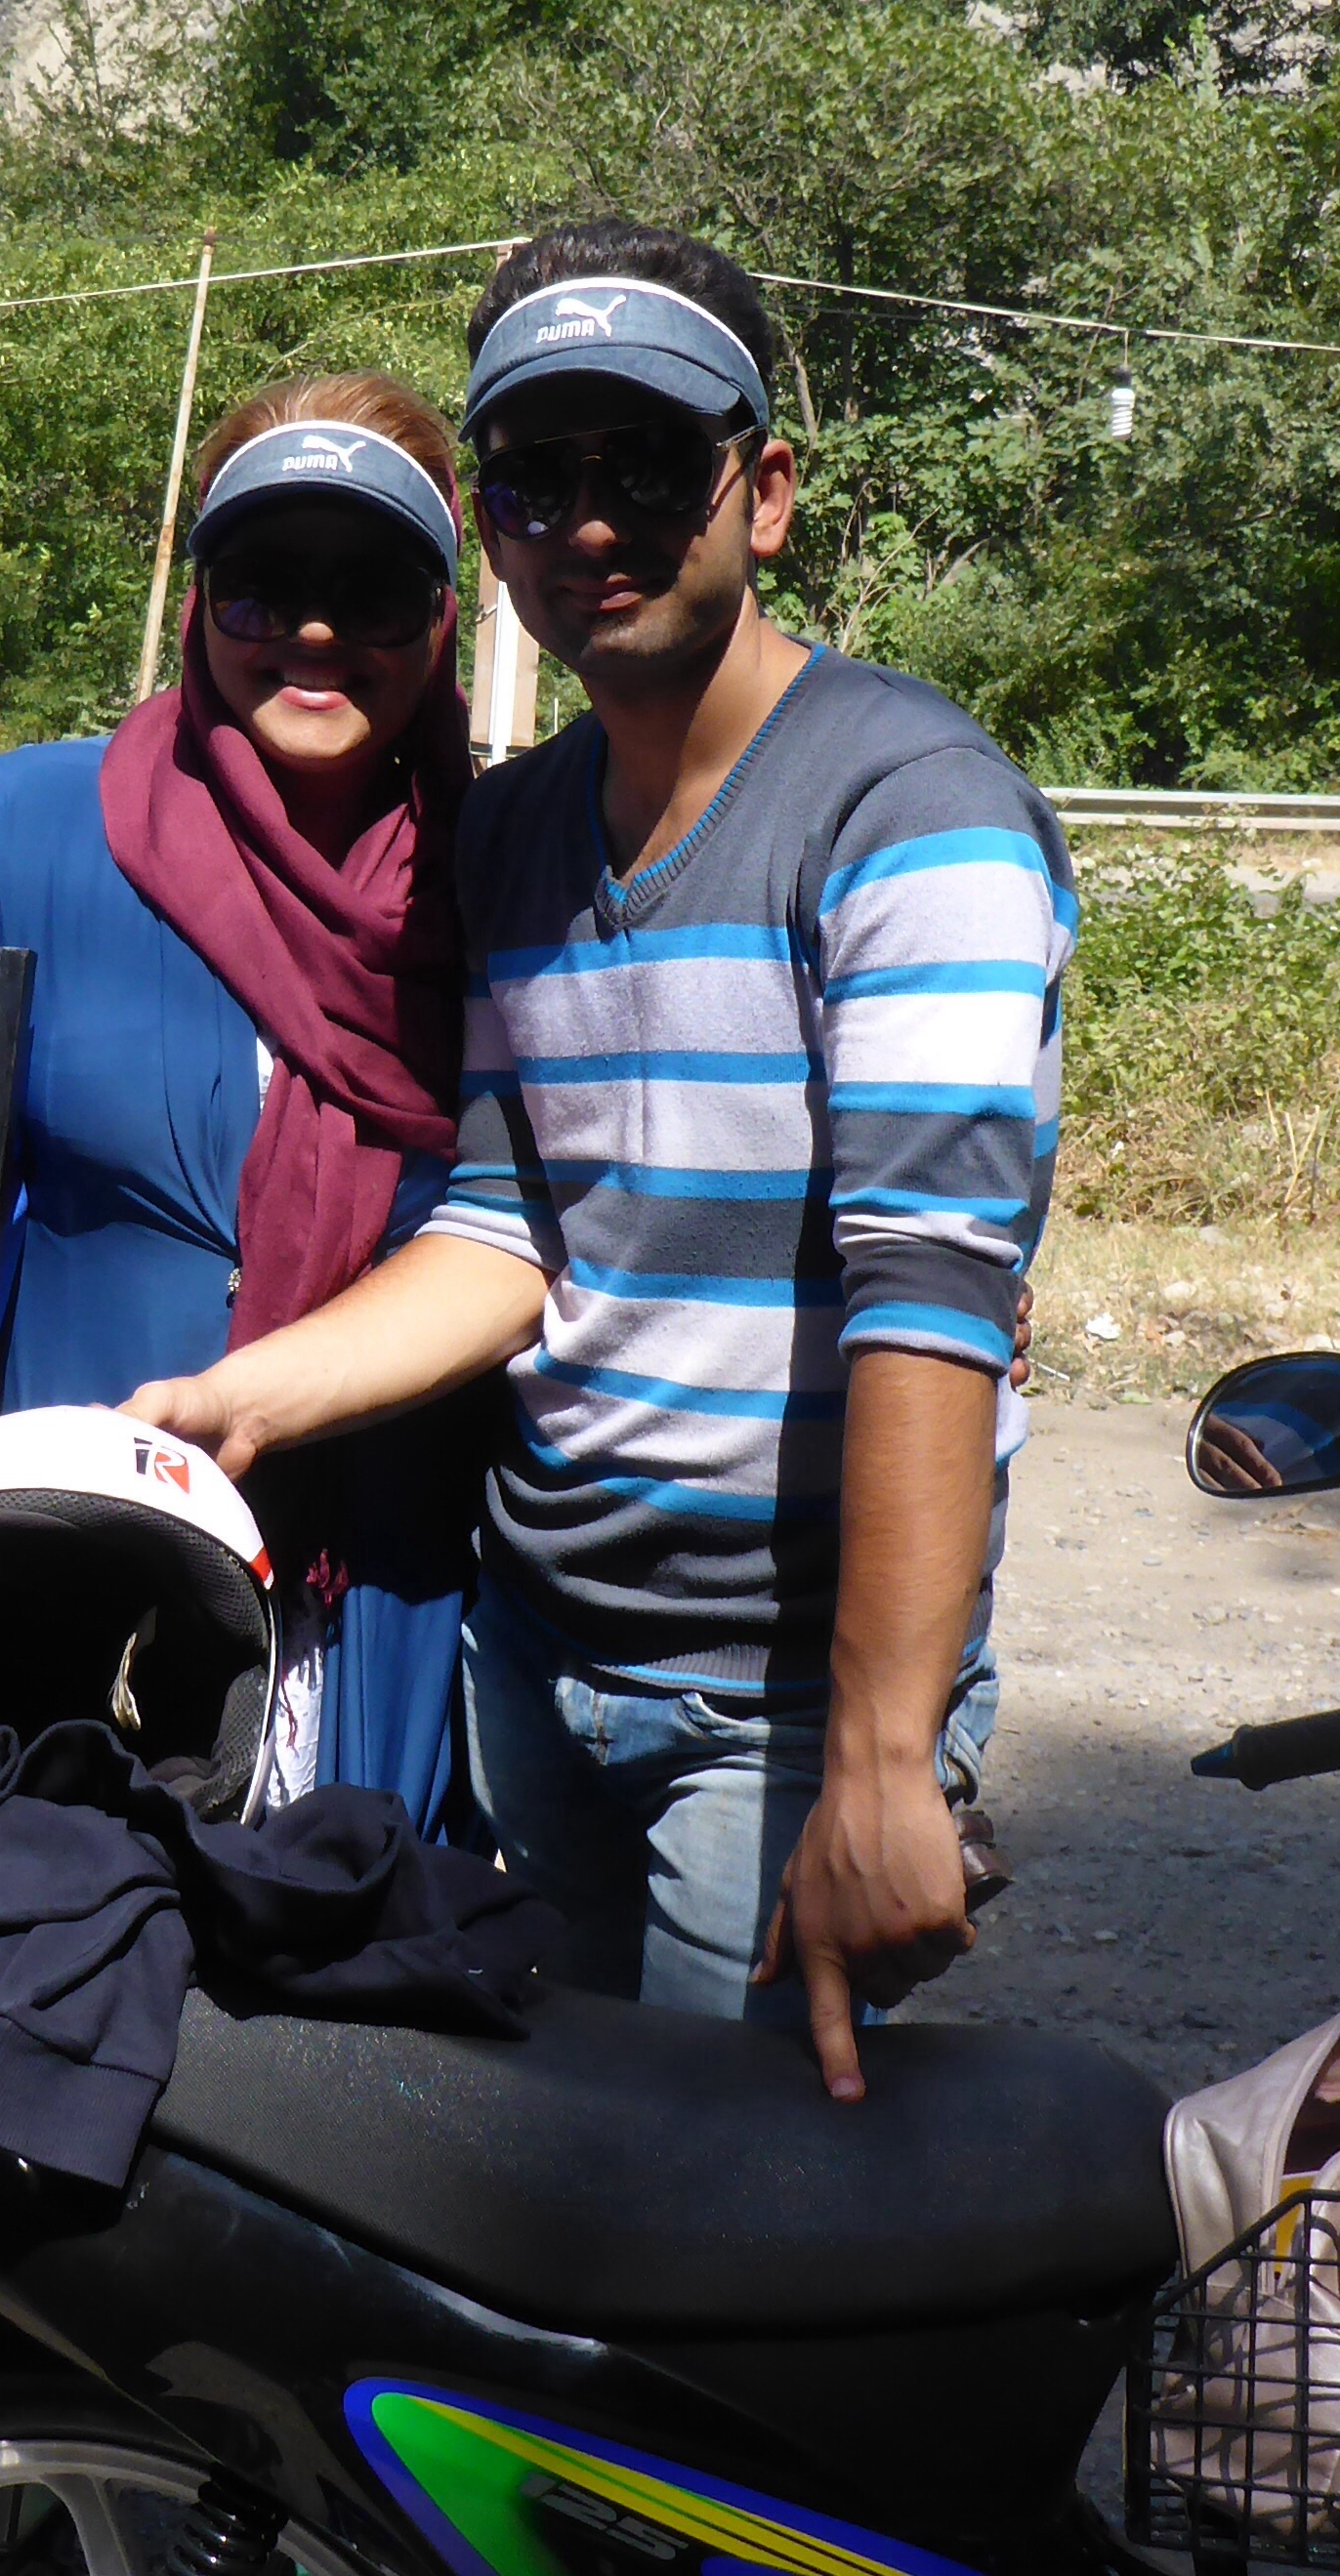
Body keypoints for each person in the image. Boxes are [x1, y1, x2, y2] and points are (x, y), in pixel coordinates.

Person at [127, 222, 1074, 2098]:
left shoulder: (912, 813)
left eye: (644, 464)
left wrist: (883, 1763)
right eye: (534, 479)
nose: (588, 523)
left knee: (733, 2197)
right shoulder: (521, 834)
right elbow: (511, 1226)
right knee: (562, 2169)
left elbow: (931, 1300)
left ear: (764, 491)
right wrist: (245, 1399)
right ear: (490, 532)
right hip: (538, 1648)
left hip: (781, 1698)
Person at [0, 374, 488, 1830]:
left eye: (372, 587)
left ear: (444, 614)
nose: (315, 632)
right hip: (67, 1586)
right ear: (201, 596)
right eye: (264, 582)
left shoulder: (509, 874)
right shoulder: (25, 831)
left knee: (348, 1948)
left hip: (385, 1607)